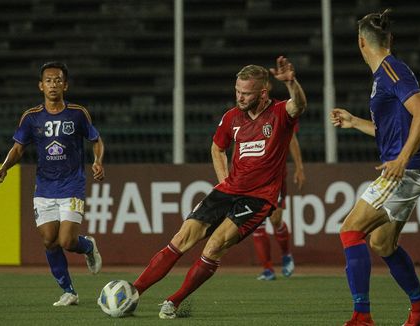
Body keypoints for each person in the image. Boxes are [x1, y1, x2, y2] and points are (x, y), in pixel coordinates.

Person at [131, 56, 307, 319]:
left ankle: (175, 301)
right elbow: (217, 147)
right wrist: (224, 178)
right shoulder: (231, 118)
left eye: (246, 93)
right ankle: (132, 293)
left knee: (214, 246)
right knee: (181, 238)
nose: (240, 97)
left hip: (259, 198)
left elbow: (300, 105)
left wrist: (292, 83)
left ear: (263, 92)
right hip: (228, 190)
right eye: (237, 91)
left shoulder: (280, 113)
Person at [330, 9, 420, 326]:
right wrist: (354, 122)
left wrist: (403, 159)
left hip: (406, 170)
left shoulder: (392, 70)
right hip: (410, 169)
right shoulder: (385, 75)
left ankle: (361, 316)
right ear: (388, 39)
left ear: (361, 43)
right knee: (382, 243)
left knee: (350, 230)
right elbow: (392, 130)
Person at [0, 61, 104, 306]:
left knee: (66, 241)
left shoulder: (77, 113)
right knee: (48, 240)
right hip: (44, 187)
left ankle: (87, 247)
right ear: (40, 86)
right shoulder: (31, 117)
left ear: (65, 85)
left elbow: (96, 139)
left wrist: (97, 160)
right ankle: (69, 292)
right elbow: (18, 149)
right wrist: (4, 167)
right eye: (49, 80)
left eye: (58, 80)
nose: (53, 84)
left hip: (72, 184)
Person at [253, 132, 305, 280]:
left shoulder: (278, 112)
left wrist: (299, 167)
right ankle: (268, 269)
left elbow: (291, 138)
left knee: (275, 219)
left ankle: (286, 254)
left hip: (276, 175)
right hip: (253, 175)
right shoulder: (246, 115)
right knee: (257, 222)